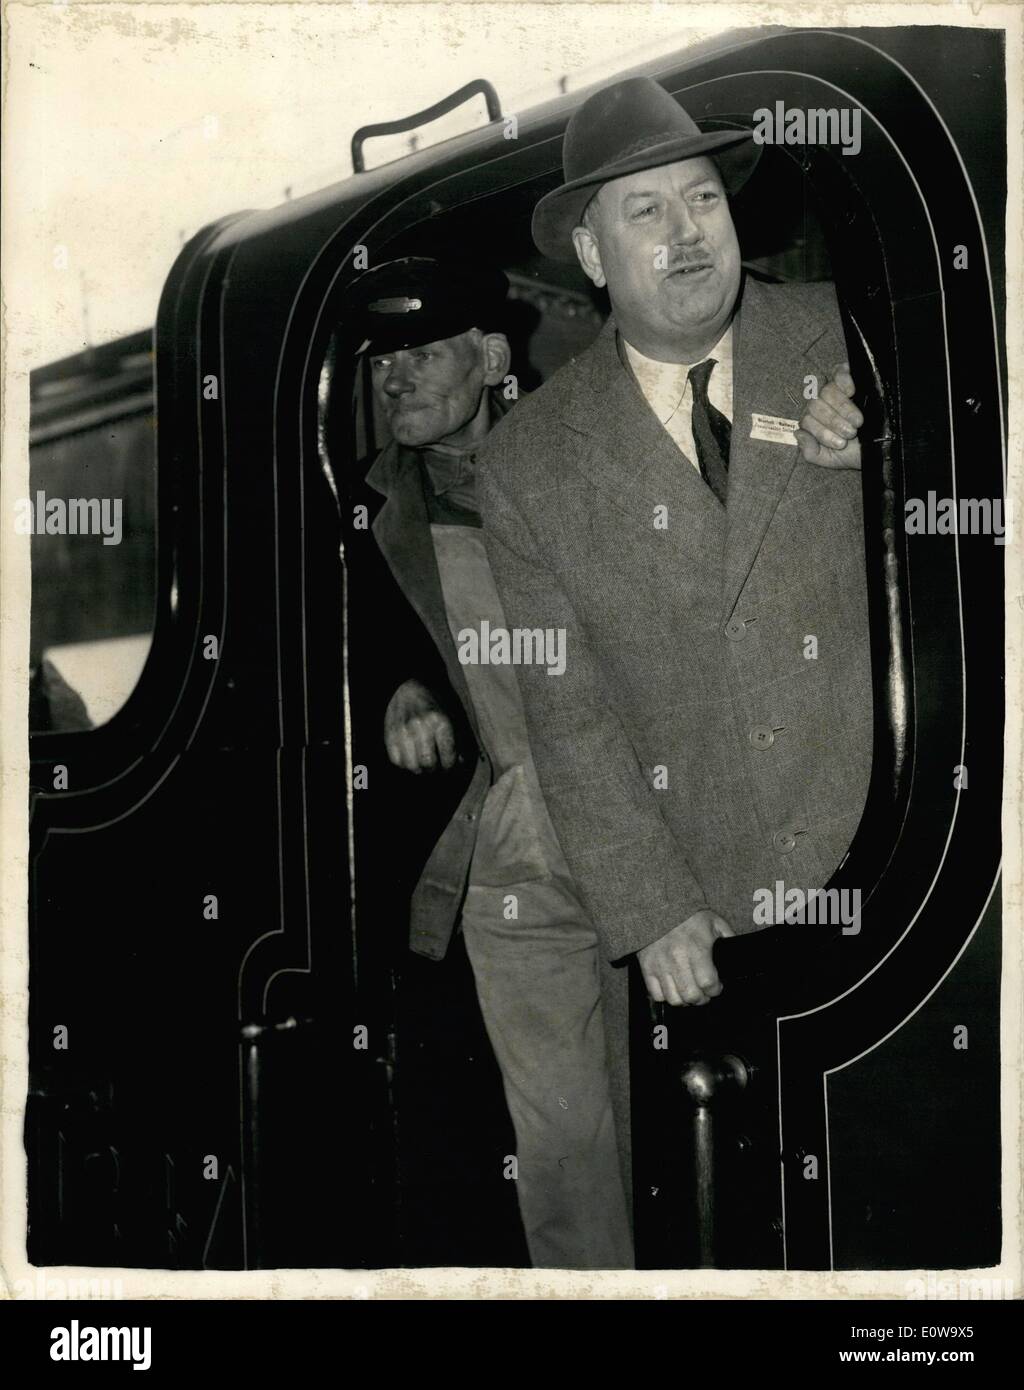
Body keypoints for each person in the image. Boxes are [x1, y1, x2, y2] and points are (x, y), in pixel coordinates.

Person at [475, 78, 874, 1212]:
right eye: (642, 212)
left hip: (904, 869)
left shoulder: (858, 332)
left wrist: (896, 471)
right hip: (717, 922)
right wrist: (647, 903)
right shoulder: (529, 462)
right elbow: (570, 706)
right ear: (592, 261)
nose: (686, 231)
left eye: (701, 197)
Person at [345, 257, 634, 1269]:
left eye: (423, 351)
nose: (397, 375)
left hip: (638, 829)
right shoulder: (366, 514)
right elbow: (333, 642)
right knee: (553, 1155)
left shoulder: (589, 463)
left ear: (493, 356)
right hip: (490, 869)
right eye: (386, 357)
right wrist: (393, 688)